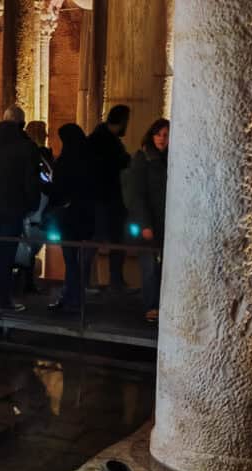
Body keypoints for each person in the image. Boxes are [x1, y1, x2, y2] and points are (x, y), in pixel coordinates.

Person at [0, 105, 42, 316]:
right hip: (13, 209)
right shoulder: (26, 147)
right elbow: (31, 181)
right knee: (6, 254)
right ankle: (3, 297)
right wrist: (32, 205)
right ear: (21, 123)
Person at [124, 118, 169, 323]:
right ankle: (151, 306)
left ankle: (163, 305)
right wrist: (145, 224)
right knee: (150, 266)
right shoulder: (143, 158)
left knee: (163, 267)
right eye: (158, 134)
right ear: (151, 136)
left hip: (166, 222)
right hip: (149, 222)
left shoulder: (170, 159)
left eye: (166, 135)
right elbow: (137, 194)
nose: (162, 139)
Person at [46, 123, 95, 313]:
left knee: (70, 259)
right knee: (80, 260)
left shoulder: (65, 161)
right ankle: (74, 296)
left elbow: (58, 190)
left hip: (70, 219)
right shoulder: (90, 159)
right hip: (86, 217)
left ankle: (71, 298)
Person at [87, 105, 132, 290]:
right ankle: (114, 281)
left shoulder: (95, 138)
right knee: (111, 240)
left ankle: (90, 281)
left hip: (100, 198)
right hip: (107, 198)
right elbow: (115, 164)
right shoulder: (108, 142)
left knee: (95, 241)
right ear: (123, 122)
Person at [20, 120, 54, 294]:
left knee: (27, 245)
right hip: (37, 205)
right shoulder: (37, 155)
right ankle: (26, 282)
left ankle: (24, 280)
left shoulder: (30, 153)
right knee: (30, 245)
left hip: (32, 205)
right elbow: (46, 179)